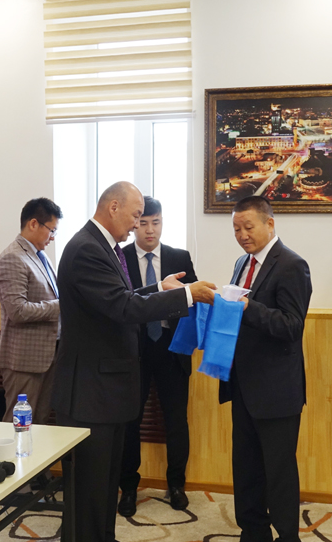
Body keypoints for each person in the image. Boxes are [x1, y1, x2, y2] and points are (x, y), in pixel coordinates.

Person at [51, 182, 217, 542]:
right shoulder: (87, 249)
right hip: (90, 394)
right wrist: (187, 295)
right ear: (114, 207)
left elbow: (119, 297)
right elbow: (122, 307)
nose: (138, 224)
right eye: (136, 216)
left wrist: (159, 289)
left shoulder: (102, 246)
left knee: (103, 490)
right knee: (89, 494)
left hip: (104, 391)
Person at [221, 196, 312, 542]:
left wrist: (248, 308)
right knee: (246, 467)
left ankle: (288, 535)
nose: (242, 235)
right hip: (243, 383)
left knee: (278, 471)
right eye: (236, 229)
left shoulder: (292, 265)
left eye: (248, 227)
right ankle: (253, 531)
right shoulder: (241, 263)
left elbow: (292, 325)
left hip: (276, 389)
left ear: (269, 223)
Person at [118, 196, 197, 516]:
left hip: (171, 346)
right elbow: (119, 303)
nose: (150, 230)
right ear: (134, 224)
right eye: (144, 223)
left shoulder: (180, 257)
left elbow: (192, 300)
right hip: (134, 349)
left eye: (156, 222)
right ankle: (128, 487)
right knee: (130, 421)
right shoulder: (120, 257)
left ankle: (176, 484)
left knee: (176, 420)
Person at [0, 197, 62, 424]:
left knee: (40, 424)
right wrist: (62, 305)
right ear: (33, 224)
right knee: (19, 426)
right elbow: (18, 311)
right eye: (51, 230)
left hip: (48, 356)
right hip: (24, 361)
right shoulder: (12, 257)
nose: (53, 237)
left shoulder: (41, 257)